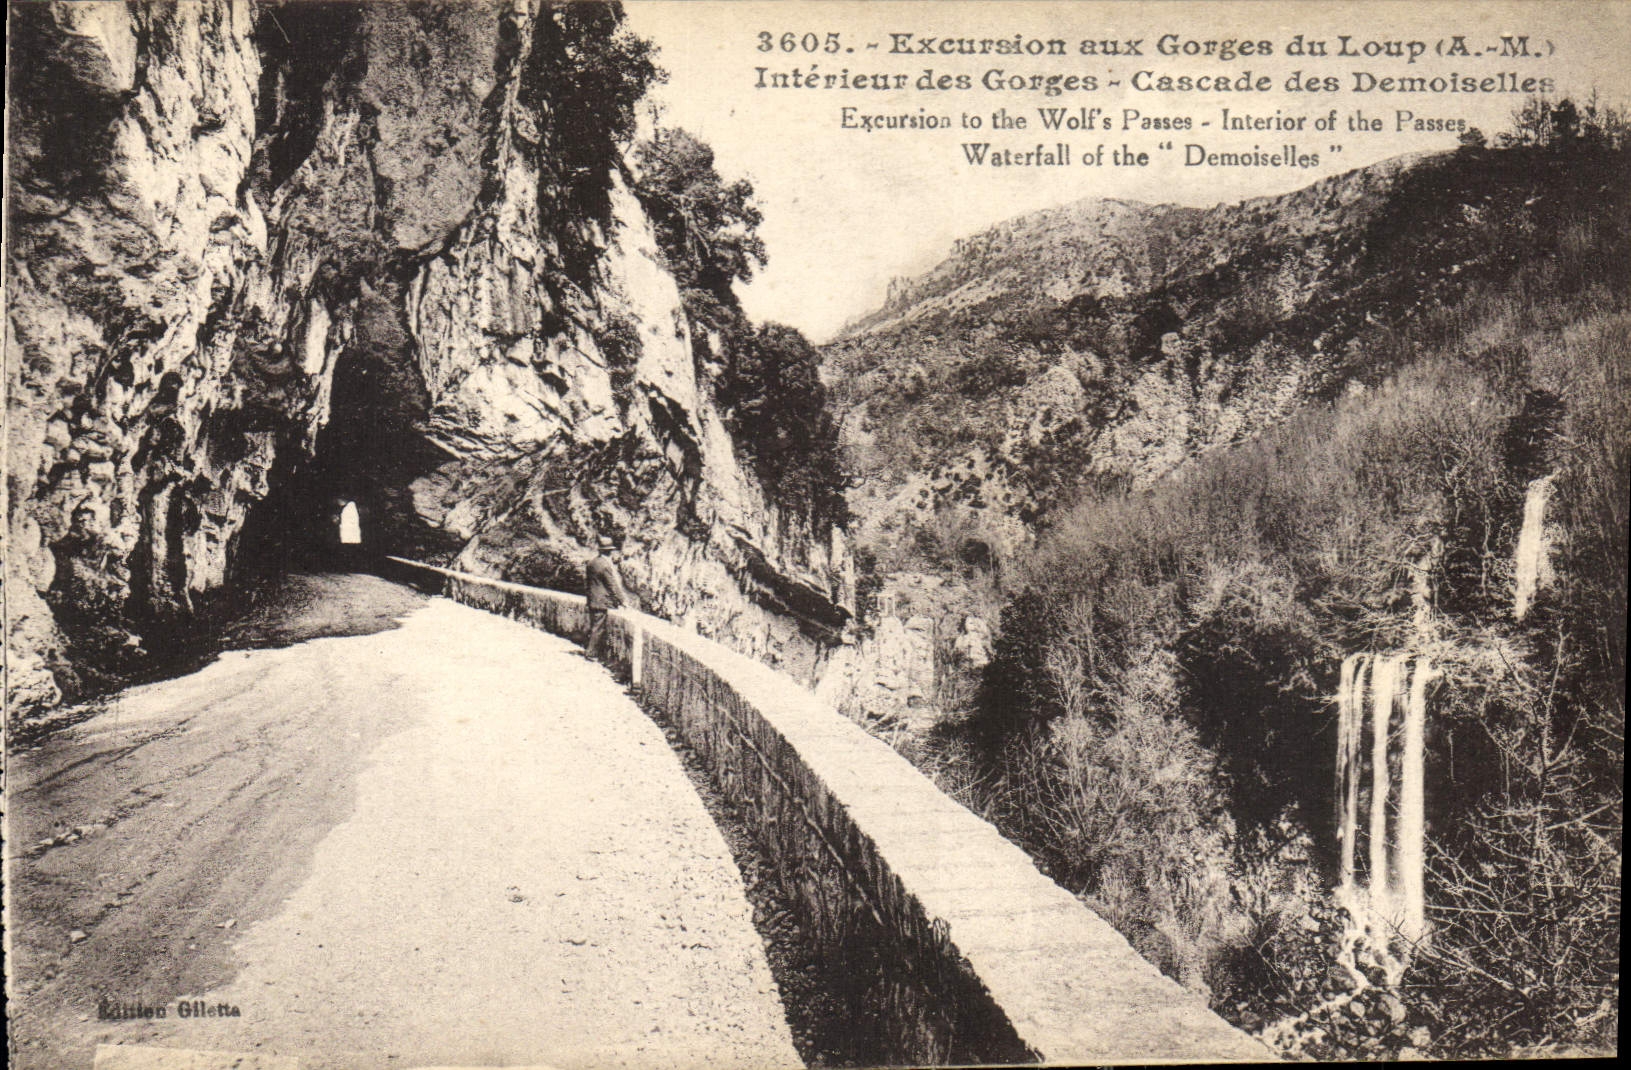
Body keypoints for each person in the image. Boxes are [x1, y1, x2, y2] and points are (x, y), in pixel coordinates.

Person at [584, 535, 626, 661]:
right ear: (609, 552)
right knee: (598, 628)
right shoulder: (605, 566)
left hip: (592, 599)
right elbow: (612, 585)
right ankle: (591, 653)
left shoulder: (592, 563)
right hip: (601, 601)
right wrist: (622, 600)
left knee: (594, 626)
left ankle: (592, 651)